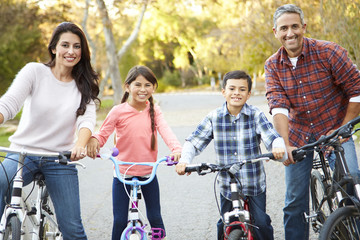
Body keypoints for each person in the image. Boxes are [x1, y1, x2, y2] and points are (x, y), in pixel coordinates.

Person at [265, 4, 360, 240]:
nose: (290, 33)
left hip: (335, 128)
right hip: (299, 135)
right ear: (275, 32)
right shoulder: (272, 66)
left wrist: (342, 128)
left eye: (295, 26)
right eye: (284, 28)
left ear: (303, 27)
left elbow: (356, 90)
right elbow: (278, 105)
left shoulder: (329, 52)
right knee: (294, 201)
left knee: (352, 182)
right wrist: (285, 144)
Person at [0, 22, 100, 239]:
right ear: (54, 48)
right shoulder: (34, 71)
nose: (71, 51)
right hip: (22, 154)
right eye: (65, 45)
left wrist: (80, 145)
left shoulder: (84, 86)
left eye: (77, 46)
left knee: (73, 229)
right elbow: (8, 104)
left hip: (59, 158)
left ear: (82, 52)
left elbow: (86, 121)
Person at [175, 70, 286, 240]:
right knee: (224, 224)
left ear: (249, 94)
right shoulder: (214, 117)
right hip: (227, 183)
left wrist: (278, 148)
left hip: (253, 181)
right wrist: (184, 160)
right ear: (223, 92)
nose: (236, 93)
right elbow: (194, 141)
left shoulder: (255, 115)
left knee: (261, 223)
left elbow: (272, 136)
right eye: (232, 88)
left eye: (242, 89)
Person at [86, 65, 182, 240]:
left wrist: (176, 149)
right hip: (122, 173)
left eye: (148, 85)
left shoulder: (155, 111)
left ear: (153, 88)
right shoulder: (118, 111)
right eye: (138, 85)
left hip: (148, 172)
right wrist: (94, 141)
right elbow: (102, 134)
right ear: (127, 87)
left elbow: (166, 131)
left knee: (155, 217)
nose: (143, 89)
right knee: (120, 220)